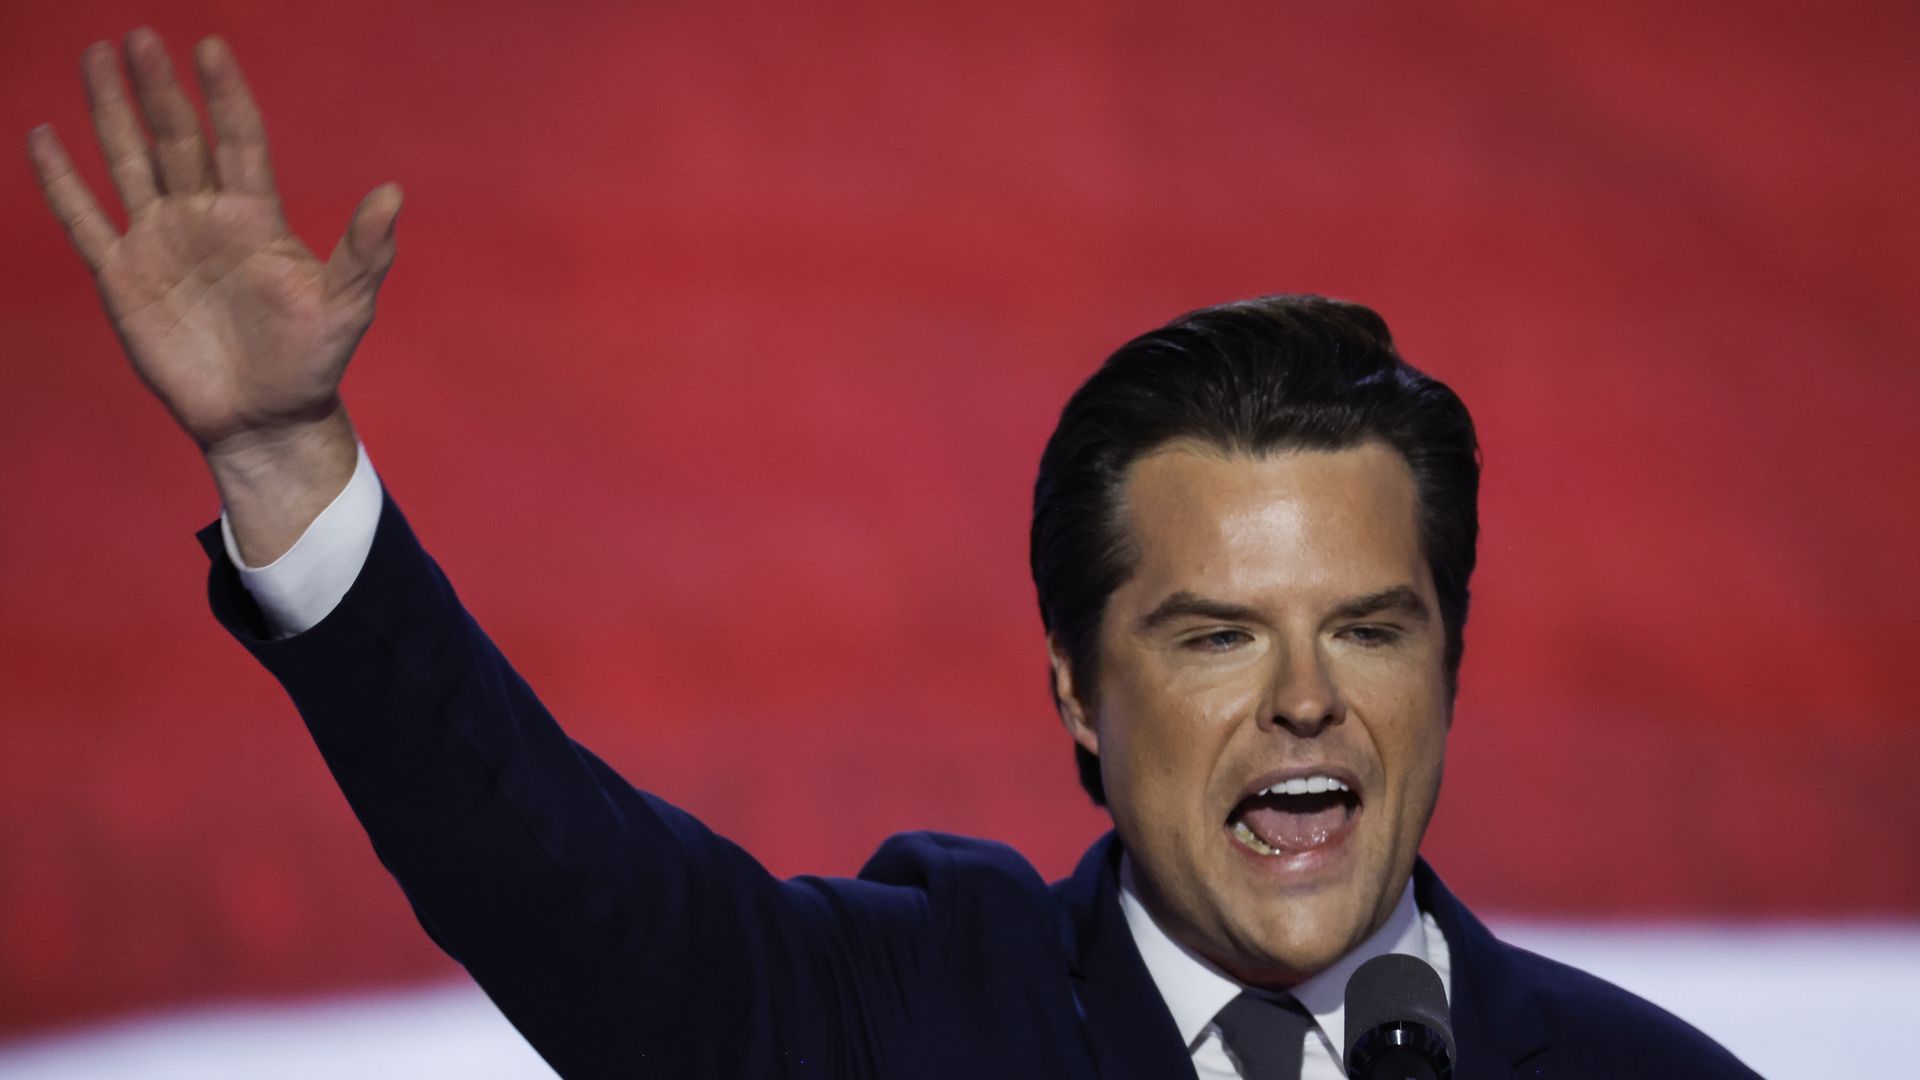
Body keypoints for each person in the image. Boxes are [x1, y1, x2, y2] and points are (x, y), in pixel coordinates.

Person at [29, 28, 1760, 1080]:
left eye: (1369, 630)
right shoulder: (906, 1031)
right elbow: (561, 887)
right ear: (1079, 695)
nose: (1305, 701)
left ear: (1450, 665)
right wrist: (283, 460)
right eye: (1218, 637)